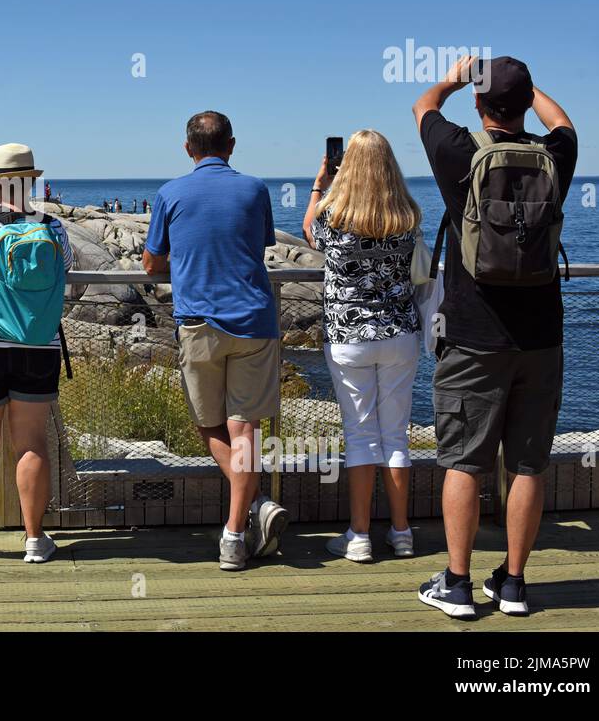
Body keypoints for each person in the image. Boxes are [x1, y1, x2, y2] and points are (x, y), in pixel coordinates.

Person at [412, 55, 577, 619]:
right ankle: (513, 583)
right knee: (528, 464)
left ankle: (456, 583)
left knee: (464, 460)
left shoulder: (459, 153)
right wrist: (527, 90)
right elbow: (564, 124)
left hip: (472, 335)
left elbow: (423, 106)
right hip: (541, 337)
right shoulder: (556, 157)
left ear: (481, 106)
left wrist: (460, 77)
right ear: (525, 100)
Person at [142, 111, 289, 571]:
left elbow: (150, 264)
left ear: (188, 148)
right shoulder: (254, 189)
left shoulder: (170, 193)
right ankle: (240, 527)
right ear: (232, 145)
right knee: (244, 429)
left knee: (209, 425)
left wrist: (181, 262)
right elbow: (260, 245)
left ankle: (248, 513)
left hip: (199, 323)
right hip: (253, 320)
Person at [302, 130, 422, 563]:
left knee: (359, 435)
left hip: (349, 337)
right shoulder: (407, 214)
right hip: (399, 333)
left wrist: (321, 180)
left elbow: (309, 231)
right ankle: (402, 532)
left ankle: (358, 536)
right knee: (396, 436)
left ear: (345, 164)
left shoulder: (333, 213)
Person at [0, 143, 72, 565]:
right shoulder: (53, 228)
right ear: (32, 181)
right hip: (38, 348)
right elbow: (65, 279)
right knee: (31, 444)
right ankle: (36, 539)